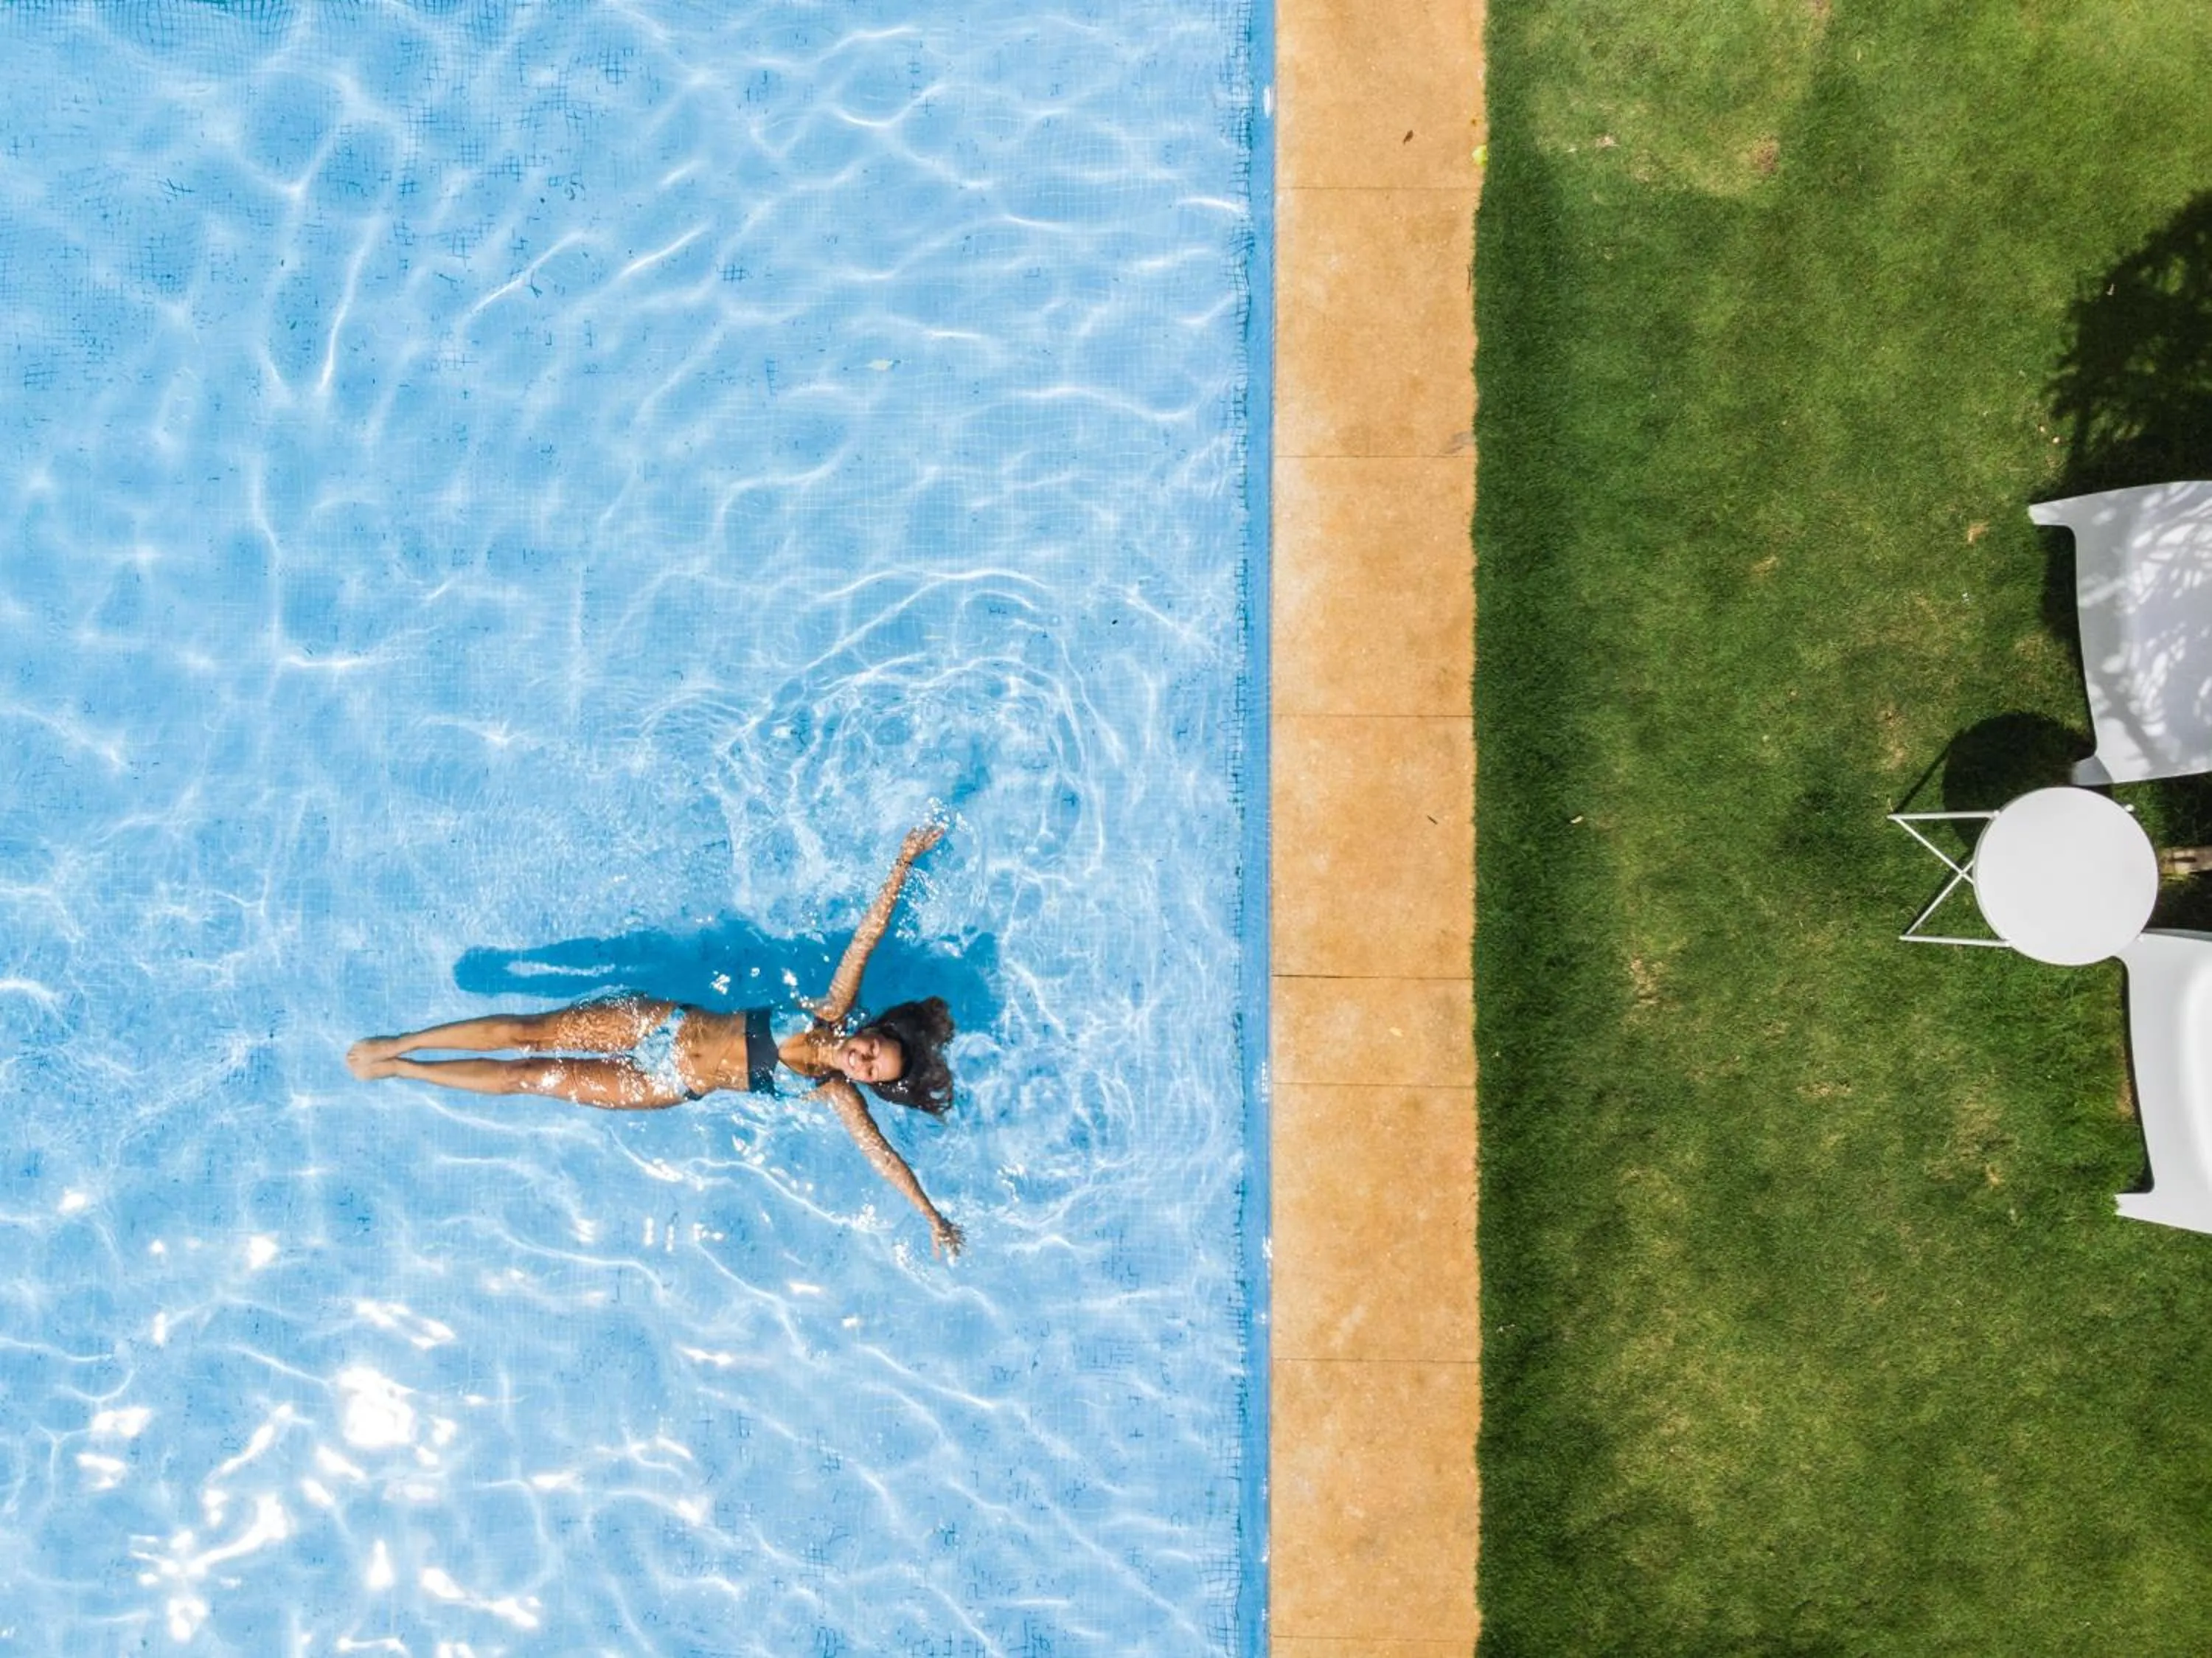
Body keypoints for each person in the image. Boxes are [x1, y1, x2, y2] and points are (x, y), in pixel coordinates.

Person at [347, 822, 964, 1258]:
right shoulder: (829, 1011)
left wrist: (930, 1216)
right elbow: (866, 938)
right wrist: (902, 865)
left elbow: (885, 1159)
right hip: (659, 1025)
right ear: (871, 1030)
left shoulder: (833, 1093)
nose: (862, 1061)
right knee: (523, 1033)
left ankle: (407, 1070)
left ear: (866, 1083)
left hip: (663, 1083)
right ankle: (402, 1041)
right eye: (873, 1050)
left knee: (526, 1077)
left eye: (871, 1072)